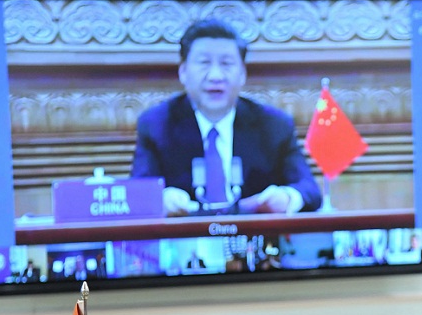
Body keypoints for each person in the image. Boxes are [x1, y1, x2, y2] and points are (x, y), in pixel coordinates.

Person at [131, 18, 322, 217]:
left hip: (254, 242)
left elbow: (309, 189)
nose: (215, 75)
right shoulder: (156, 124)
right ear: (183, 72)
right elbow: (136, 193)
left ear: (242, 74)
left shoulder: (273, 125)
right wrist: (159, 198)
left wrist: (287, 197)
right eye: (204, 63)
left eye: (226, 63)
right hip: (182, 242)